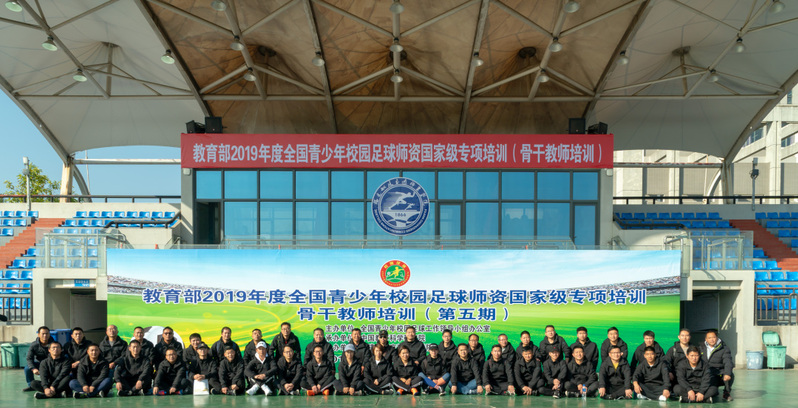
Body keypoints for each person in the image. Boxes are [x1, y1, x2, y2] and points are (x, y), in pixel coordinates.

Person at [699, 329, 734, 401]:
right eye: (709, 338)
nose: (712, 340)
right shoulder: (701, 348)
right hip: (707, 374)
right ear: (706, 339)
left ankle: (726, 393)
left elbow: (728, 362)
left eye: (714, 337)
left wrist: (727, 373)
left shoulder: (724, 348)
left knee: (730, 374)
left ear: (717, 338)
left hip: (719, 373)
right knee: (713, 390)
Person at [23, 325, 53, 392]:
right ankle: (31, 385)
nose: (45, 335)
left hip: (51, 365)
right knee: (27, 368)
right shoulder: (34, 345)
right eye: (43, 334)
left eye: (47, 333)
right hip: (39, 364)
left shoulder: (54, 344)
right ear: (38, 334)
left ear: (49, 334)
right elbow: (29, 358)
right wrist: (33, 368)